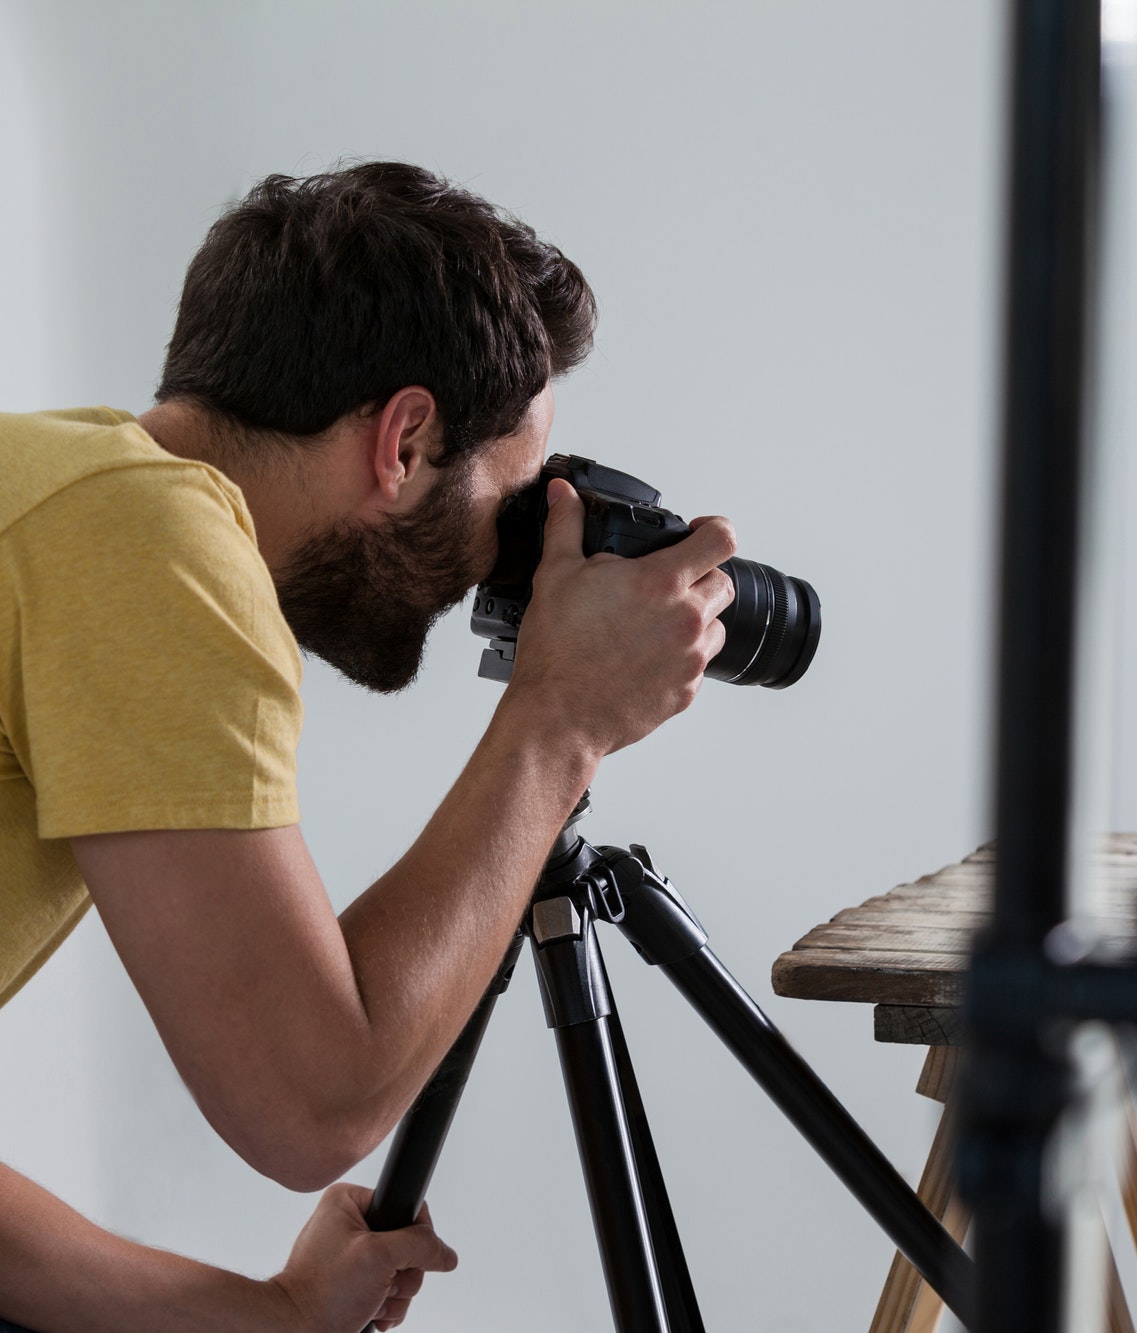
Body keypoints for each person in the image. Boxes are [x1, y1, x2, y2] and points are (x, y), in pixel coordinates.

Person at [0, 162, 738, 1332]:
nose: (488, 566)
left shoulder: (52, 487)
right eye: (508, 501)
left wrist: (280, 1313)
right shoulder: (148, 541)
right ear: (403, 440)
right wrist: (561, 720)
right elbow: (309, 1105)